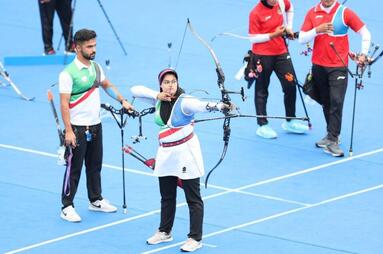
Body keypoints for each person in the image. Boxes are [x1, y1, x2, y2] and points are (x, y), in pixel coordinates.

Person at [130, 68, 232, 252]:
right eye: (167, 82)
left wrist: (221, 106)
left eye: (173, 82)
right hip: (166, 154)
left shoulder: (185, 101)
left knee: (193, 197)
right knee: (167, 195)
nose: (171, 85)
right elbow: (134, 90)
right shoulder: (158, 99)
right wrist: (157, 95)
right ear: (161, 84)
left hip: (186, 153)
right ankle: (164, 231)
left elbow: (201, 105)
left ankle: (195, 238)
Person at [59, 29, 134, 222]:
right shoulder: (68, 74)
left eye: (95, 45)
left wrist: (122, 101)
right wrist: (68, 130)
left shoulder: (96, 67)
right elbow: (64, 104)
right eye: (89, 46)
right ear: (77, 48)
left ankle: (95, 199)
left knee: (94, 166)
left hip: (95, 125)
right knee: (73, 168)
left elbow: (107, 86)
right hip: (77, 128)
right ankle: (67, 206)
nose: (93, 50)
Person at [299, 0, 371, 157]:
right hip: (318, 65)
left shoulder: (344, 12)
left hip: (338, 65)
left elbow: (365, 33)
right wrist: (317, 30)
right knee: (326, 102)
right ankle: (331, 134)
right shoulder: (312, 12)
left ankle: (333, 139)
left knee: (336, 101)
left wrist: (363, 53)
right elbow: (302, 38)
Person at [248, 0, 309, 139]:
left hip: (281, 52)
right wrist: (273, 35)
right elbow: (253, 39)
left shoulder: (281, 3)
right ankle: (262, 125)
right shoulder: (255, 13)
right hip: (262, 56)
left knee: (290, 84)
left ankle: (290, 120)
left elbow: (290, 7)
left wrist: (288, 26)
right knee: (262, 90)